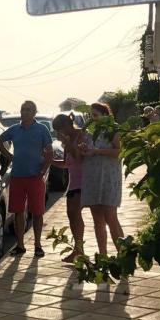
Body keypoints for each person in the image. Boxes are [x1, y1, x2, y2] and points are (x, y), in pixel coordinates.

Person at [0, 100, 53, 257]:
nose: (24, 112)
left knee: (38, 212)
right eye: (22, 109)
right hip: (18, 176)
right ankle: (20, 245)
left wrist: (43, 170)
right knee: (18, 212)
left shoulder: (42, 129)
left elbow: (50, 152)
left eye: (28, 110)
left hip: (35, 176)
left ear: (34, 112)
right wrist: (10, 156)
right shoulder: (14, 129)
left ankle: (38, 245)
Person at [79, 102, 125, 256]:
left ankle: (123, 256)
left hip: (109, 177)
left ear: (105, 115)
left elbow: (119, 151)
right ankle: (103, 256)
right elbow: (86, 148)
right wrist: (84, 149)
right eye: (90, 115)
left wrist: (98, 151)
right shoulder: (90, 131)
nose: (92, 119)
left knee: (111, 217)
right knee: (97, 219)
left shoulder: (114, 129)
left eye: (95, 115)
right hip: (93, 177)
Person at [51, 113, 90, 263]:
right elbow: (67, 163)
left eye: (59, 129)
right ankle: (78, 250)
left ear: (67, 125)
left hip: (85, 180)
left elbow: (80, 158)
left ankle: (80, 250)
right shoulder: (65, 141)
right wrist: (50, 161)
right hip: (73, 182)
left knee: (76, 213)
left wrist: (67, 143)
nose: (58, 133)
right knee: (71, 215)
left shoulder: (82, 136)